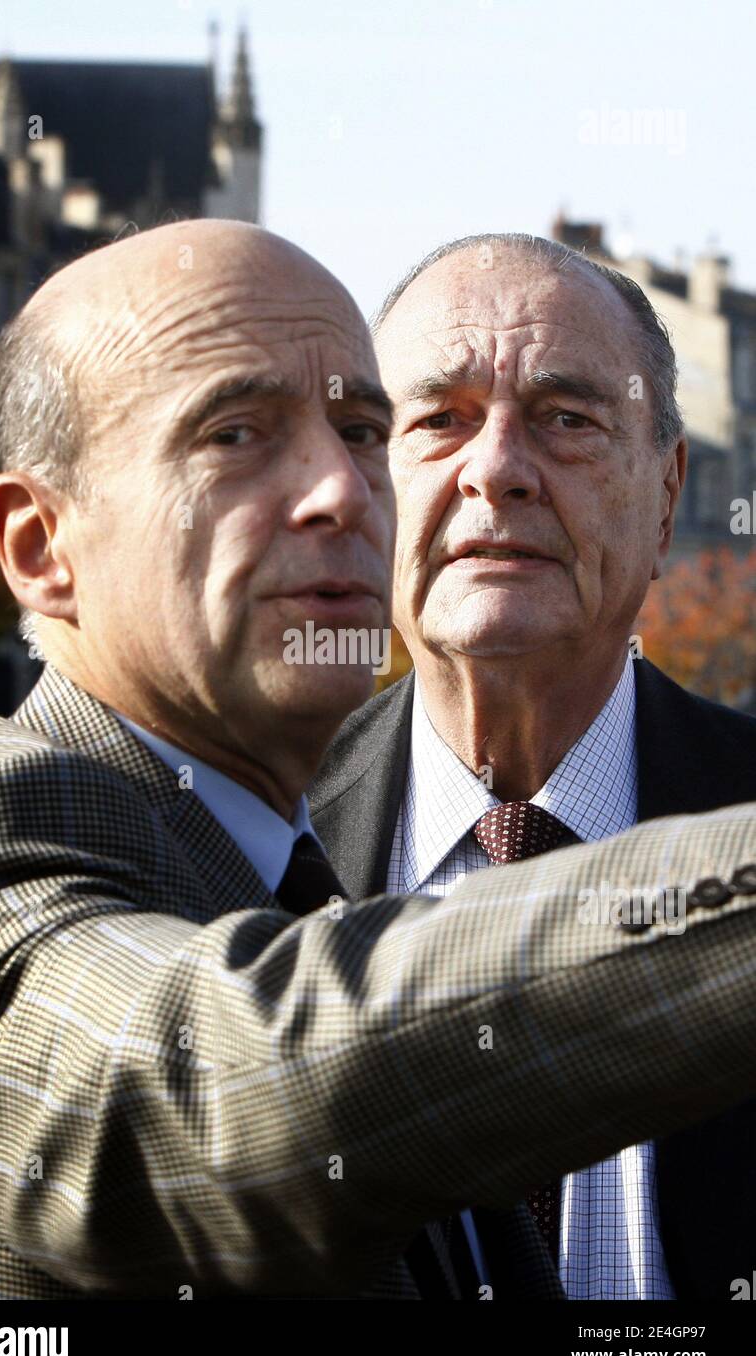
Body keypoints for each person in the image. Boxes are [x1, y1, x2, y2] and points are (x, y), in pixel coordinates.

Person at [0, 221, 756, 1303]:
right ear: (40, 545)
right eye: (234, 433)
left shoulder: (281, 848)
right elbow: (217, 1087)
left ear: (664, 495)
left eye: (359, 428)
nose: (342, 490)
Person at [310, 232, 756, 1299]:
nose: (497, 468)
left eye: (566, 419)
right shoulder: (237, 859)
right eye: (437, 420)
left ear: (664, 495)